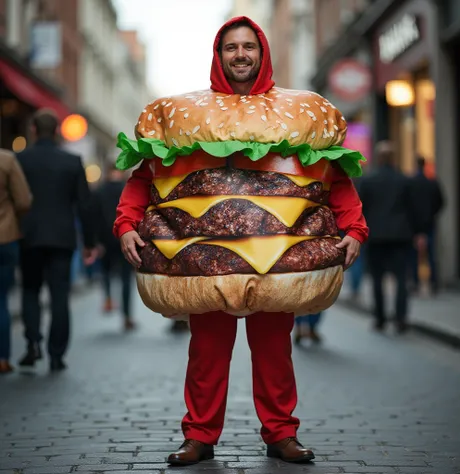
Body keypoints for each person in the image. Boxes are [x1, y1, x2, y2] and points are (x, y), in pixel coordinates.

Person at [114, 17, 368, 465]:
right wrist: (126, 224)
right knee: (206, 354)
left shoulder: (301, 114)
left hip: (282, 259)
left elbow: (334, 177)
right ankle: (199, 436)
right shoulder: (183, 118)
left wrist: (354, 229)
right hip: (201, 260)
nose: (240, 55)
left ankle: (280, 433)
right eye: (231, 47)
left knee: (274, 353)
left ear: (262, 51)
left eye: (248, 46)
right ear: (219, 55)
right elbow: (145, 176)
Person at [16, 109, 96, 372]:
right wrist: (89, 242)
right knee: (60, 295)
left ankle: (32, 344)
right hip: (62, 237)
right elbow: (84, 205)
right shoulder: (72, 162)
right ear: (58, 131)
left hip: (29, 236)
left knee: (30, 291)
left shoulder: (21, 160)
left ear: (34, 130)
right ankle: (57, 354)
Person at [358, 141, 419, 334]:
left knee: (377, 279)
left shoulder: (368, 180)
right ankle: (400, 319)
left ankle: (380, 318)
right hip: (400, 236)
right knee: (401, 278)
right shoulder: (404, 180)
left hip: (375, 236)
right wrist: (416, 232)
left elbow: (360, 209)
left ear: (377, 157)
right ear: (394, 158)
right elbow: (413, 209)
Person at [91, 164, 135, 331]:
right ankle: (127, 316)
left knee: (106, 272)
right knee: (125, 278)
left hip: (105, 240)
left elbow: (94, 216)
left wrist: (95, 242)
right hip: (125, 238)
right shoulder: (127, 189)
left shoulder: (99, 190)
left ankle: (108, 298)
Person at [0, 149, 32, 374]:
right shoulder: (6, 160)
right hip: (5, 235)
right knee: (1, 300)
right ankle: (2, 358)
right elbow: (23, 200)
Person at [409, 156, 444, 295]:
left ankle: (416, 283)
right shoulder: (432, 182)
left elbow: (407, 204)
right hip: (429, 223)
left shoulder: (411, 183)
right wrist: (432, 214)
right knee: (431, 254)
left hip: (414, 225)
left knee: (414, 255)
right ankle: (434, 283)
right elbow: (441, 202)